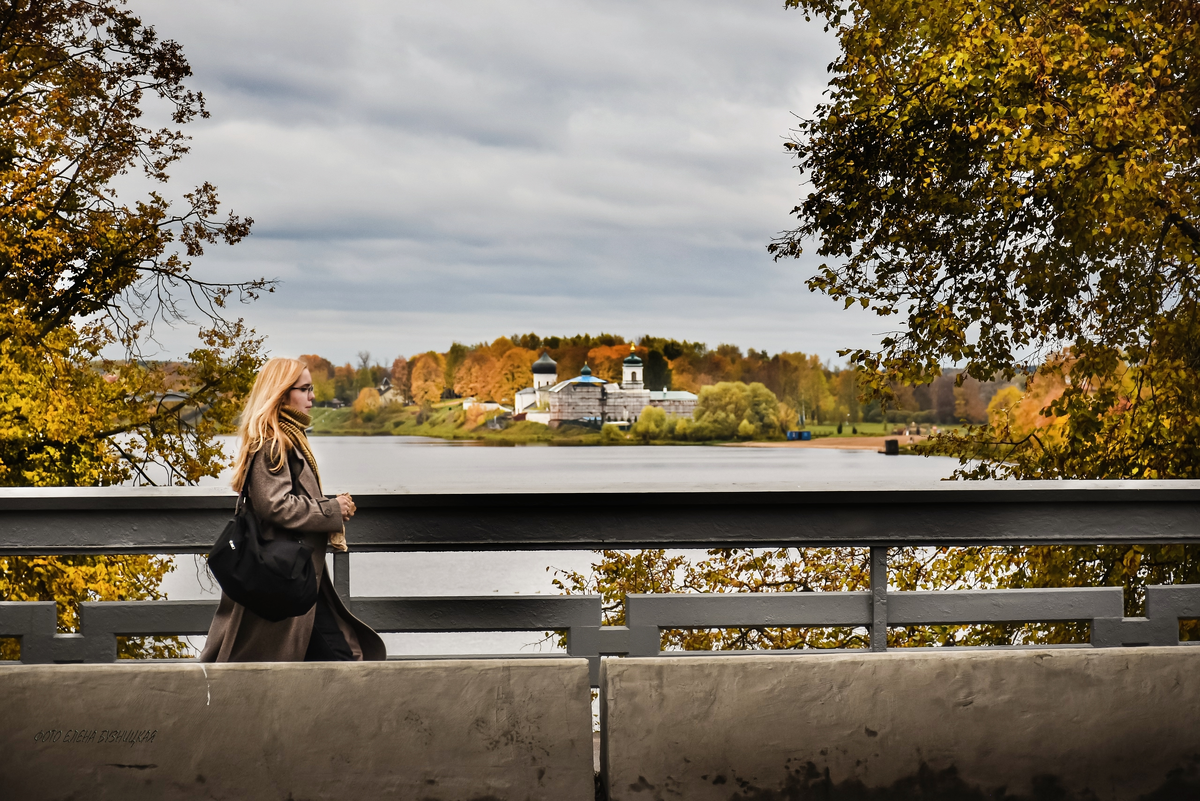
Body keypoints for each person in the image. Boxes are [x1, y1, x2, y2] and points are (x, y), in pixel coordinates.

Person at [200, 358, 386, 662]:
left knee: (339, 657)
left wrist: (331, 509)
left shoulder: (287, 438)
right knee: (343, 659)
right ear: (281, 393)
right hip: (284, 577)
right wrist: (332, 509)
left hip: (294, 578)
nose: (312, 397)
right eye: (305, 389)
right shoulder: (273, 443)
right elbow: (275, 504)